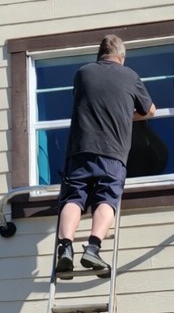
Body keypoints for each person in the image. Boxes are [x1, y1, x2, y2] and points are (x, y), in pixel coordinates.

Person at [55, 34, 156, 278]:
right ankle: (92, 248)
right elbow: (150, 111)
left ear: (100, 55)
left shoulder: (83, 73)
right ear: (121, 57)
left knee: (74, 198)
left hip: (80, 151)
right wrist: (125, 115)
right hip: (113, 154)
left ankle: (65, 248)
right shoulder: (130, 76)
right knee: (106, 200)